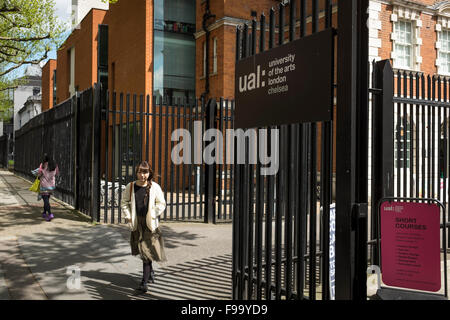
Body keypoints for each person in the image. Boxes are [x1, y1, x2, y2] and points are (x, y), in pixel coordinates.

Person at [121, 161, 167, 293]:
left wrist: (153, 213)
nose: (143, 175)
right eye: (140, 172)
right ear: (136, 173)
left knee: (146, 253)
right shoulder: (130, 187)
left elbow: (162, 203)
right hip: (137, 223)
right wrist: (128, 215)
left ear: (149, 173)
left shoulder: (155, 187)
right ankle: (150, 272)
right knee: (143, 251)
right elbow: (124, 202)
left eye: (145, 172)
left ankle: (144, 282)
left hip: (149, 224)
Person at [38, 154, 59, 222]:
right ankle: (44, 212)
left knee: (46, 200)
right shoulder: (55, 165)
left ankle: (50, 214)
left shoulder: (43, 165)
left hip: (44, 185)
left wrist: (40, 176)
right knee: (46, 199)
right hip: (51, 185)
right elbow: (57, 173)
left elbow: (39, 173)